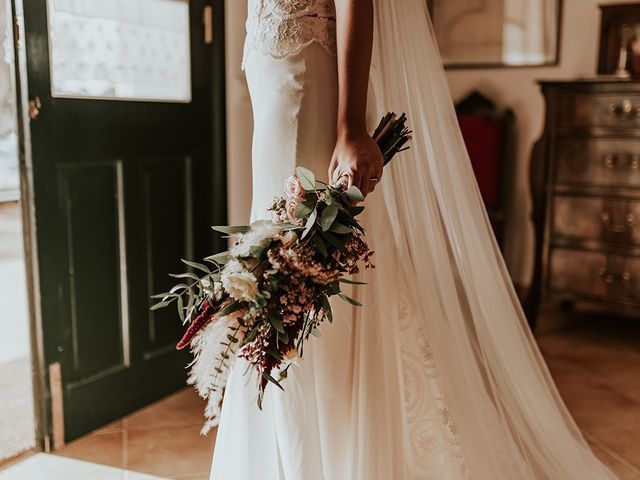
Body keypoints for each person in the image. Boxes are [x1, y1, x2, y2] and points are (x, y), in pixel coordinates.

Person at [210, 1, 618, 478]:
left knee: (306, 272)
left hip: (306, 72)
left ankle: (324, 456)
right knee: (283, 263)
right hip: (274, 73)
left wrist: (350, 126)